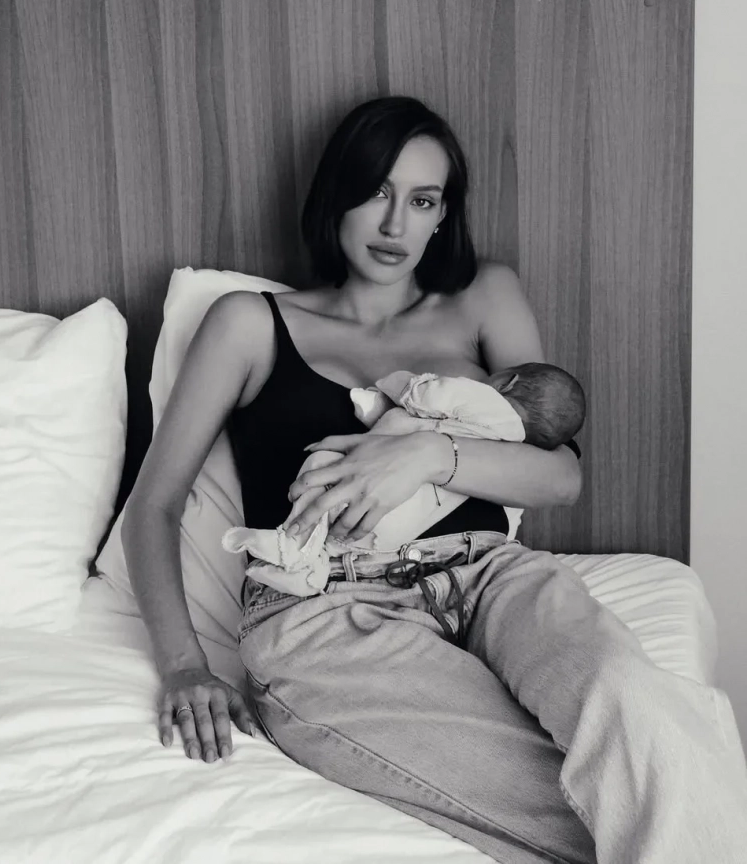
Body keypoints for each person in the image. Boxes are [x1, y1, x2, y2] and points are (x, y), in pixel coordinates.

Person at [122, 97, 747, 864]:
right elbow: (154, 506)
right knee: (580, 792)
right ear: (336, 195)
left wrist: (426, 455)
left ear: (444, 214)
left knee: (636, 705)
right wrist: (186, 667)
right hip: (325, 614)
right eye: (376, 192)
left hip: (492, 575)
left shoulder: (485, 298)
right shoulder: (248, 323)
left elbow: (560, 477)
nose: (395, 224)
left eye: (422, 200)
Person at [221, 362, 586, 598]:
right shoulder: (516, 443)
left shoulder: (487, 400)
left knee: (322, 465)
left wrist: (401, 384)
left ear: (508, 381)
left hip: (432, 560)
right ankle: (311, 564)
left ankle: (294, 547)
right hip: (430, 538)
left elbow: (428, 397)